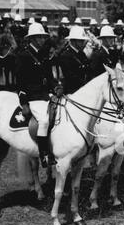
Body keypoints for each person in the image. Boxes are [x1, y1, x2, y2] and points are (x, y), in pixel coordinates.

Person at [15, 23, 62, 168]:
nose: (42, 40)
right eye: (40, 37)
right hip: (33, 96)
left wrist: (56, 86)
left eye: (43, 37)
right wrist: (24, 103)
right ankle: (44, 155)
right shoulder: (23, 55)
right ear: (33, 39)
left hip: (45, 94)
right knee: (44, 121)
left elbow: (49, 77)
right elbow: (20, 82)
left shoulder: (43, 54)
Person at [59, 25, 91, 94]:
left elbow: (88, 70)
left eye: (83, 40)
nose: (83, 42)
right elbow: (70, 78)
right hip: (72, 92)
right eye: (80, 40)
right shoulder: (65, 55)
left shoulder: (81, 54)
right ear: (73, 40)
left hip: (83, 89)